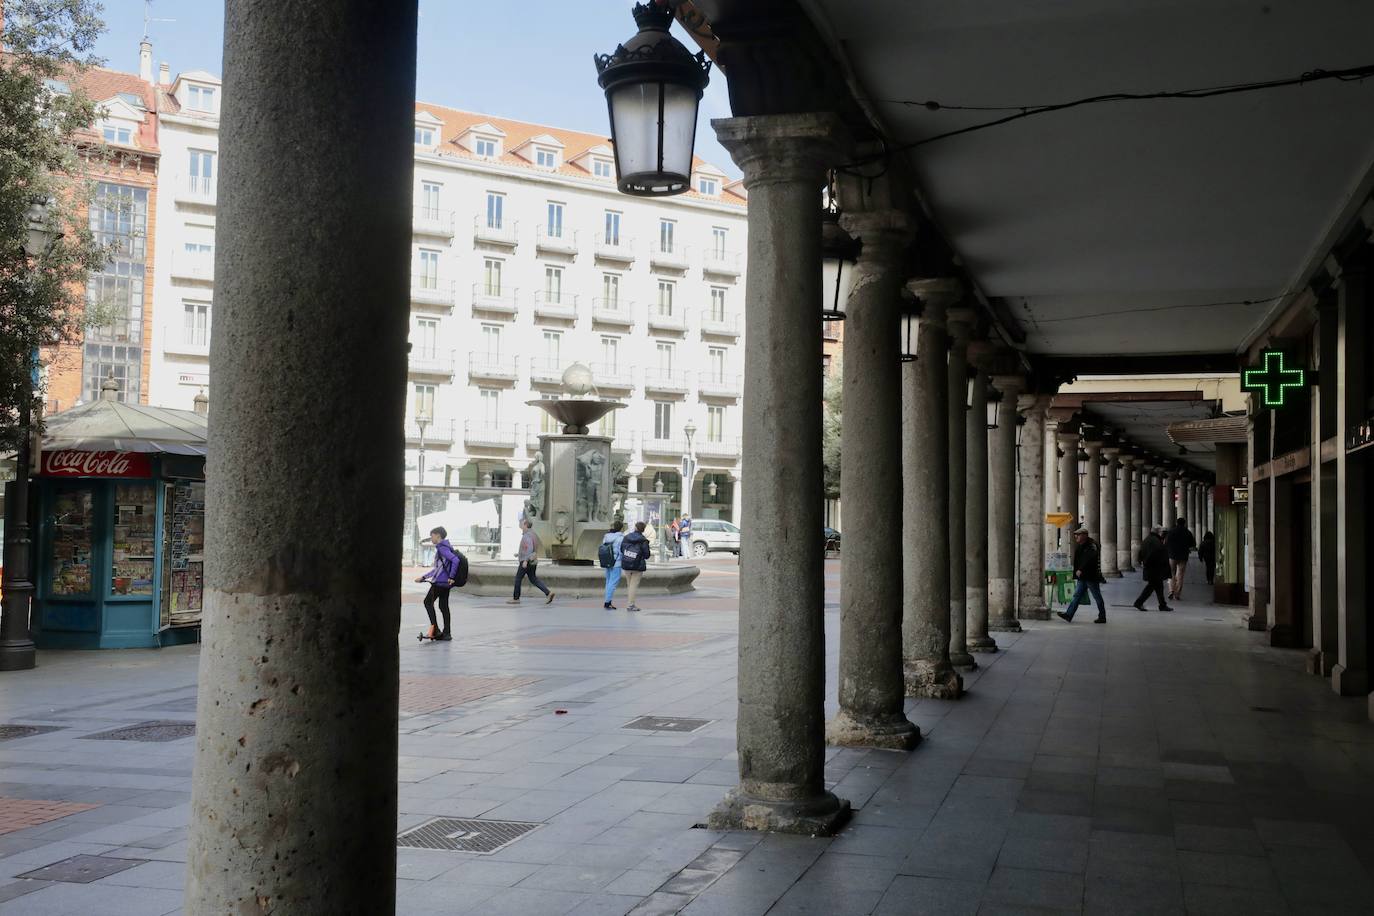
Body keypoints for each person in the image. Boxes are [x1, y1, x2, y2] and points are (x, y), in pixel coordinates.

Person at [416, 526, 462, 640]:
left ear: (438, 535)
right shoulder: (446, 547)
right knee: (443, 606)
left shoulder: (442, 548)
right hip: (445, 584)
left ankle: (435, 630)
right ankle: (447, 633)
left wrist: (451, 576)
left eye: (432, 535)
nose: (431, 538)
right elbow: (438, 568)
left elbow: (456, 560)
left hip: (440, 583)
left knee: (427, 602)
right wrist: (424, 577)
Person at [1057, 527, 1107, 624]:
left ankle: (1102, 616)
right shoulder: (1081, 545)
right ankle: (1069, 614)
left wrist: (1081, 569)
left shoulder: (1092, 545)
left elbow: (1090, 559)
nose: (1076, 537)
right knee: (1077, 595)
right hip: (1083, 577)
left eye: (1078, 535)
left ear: (1084, 535)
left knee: (1097, 596)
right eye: (1076, 535)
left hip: (1090, 576)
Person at [509, 519, 554, 605]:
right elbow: (530, 548)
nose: (520, 525)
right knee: (533, 579)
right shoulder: (533, 534)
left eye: (521, 524)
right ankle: (548, 593)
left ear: (525, 525)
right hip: (533, 560)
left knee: (518, 578)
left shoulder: (527, 536)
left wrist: (525, 560)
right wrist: (519, 554)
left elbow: (529, 548)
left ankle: (516, 598)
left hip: (527, 561)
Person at [1133, 527, 1173, 612]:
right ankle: (1139, 602)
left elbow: (1140, 552)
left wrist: (1143, 562)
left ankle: (1162, 605)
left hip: (1151, 569)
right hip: (1154, 569)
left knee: (1158, 587)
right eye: (1161, 532)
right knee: (1151, 587)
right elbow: (1157, 554)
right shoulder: (1155, 541)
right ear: (1158, 532)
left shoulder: (1148, 539)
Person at [619, 520, 650, 612]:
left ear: (635, 528)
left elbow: (621, 549)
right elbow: (647, 555)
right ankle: (631, 604)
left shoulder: (626, 537)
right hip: (637, 566)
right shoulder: (643, 540)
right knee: (633, 586)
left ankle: (630, 602)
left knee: (629, 585)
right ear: (643, 530)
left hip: (626, 563)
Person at [1165, 517, 1196, 601]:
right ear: (1184, 523)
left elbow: (1166, 542)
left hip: (1172, 555)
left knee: (1171, 573)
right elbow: (1192, 544)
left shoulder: (1171, 531)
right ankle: (1177, 594)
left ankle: (1171, 590)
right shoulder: (1187, 532)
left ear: (1176, 523)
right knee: (1180, 575)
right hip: (1183, 556)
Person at [600, 520, 625, 610]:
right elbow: (621, 551)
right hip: (616, 562)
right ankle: (607, 602)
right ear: (621, 528)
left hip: (607, 561)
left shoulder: (606, 536)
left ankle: (607, 600)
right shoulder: (621, 538)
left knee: (608, 582)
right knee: (613, 583)